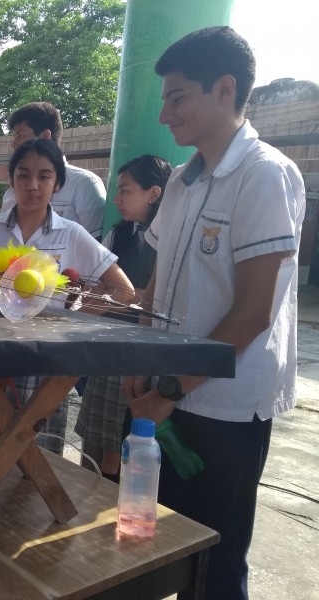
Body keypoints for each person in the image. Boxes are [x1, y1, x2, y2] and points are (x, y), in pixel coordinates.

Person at [121, 27, 305, 599]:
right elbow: (157, 284)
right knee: (145, 547)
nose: (165, 113)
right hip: (163, 392)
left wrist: (167, 392)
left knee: (214, 565)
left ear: (224, 90)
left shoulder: (264, 176)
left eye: (178, 97)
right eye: (164, 99)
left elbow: (253, 314)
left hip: (223, 412)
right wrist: (141, 358)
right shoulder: (181, 182)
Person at [0, 138, 134, 454]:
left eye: (44, 176)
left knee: (38, 454)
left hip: (45, 363)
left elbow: (123, 290)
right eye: (23, 175)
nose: (32, 185)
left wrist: (72, 320)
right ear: (11, 179)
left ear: (57, 183)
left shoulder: (70, 233)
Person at [75, 154, 172, 481]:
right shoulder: (118, 236)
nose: (116, 199)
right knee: (93, 439)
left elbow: (151, 299)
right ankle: (84, 491)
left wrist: (122, 297)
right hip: (109, 345)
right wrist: (125, 297)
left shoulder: (169, 241)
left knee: (122, 442)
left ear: (154, 193)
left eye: (126, 191)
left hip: (140, 352)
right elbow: (107, 288)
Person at [1, 102, 106, 239]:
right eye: (23, 176)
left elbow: (95, 251)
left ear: (45, 136)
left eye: (21, 136)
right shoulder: (12, 191)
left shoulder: (84, 184)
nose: (14, 144)